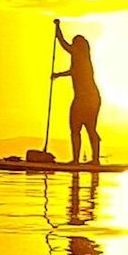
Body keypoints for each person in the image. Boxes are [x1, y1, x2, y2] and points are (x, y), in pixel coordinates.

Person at [52, 19, 101, 164]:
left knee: (79, 128)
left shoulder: (81, 57)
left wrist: (58, 29)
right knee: (83, 129)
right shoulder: (82, 58)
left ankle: (85, 160)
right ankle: (86, 160)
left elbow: (64, 46)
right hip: (90, 98)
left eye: (75, 43)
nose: (72, 46)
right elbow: (73, 70)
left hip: (86, 99)